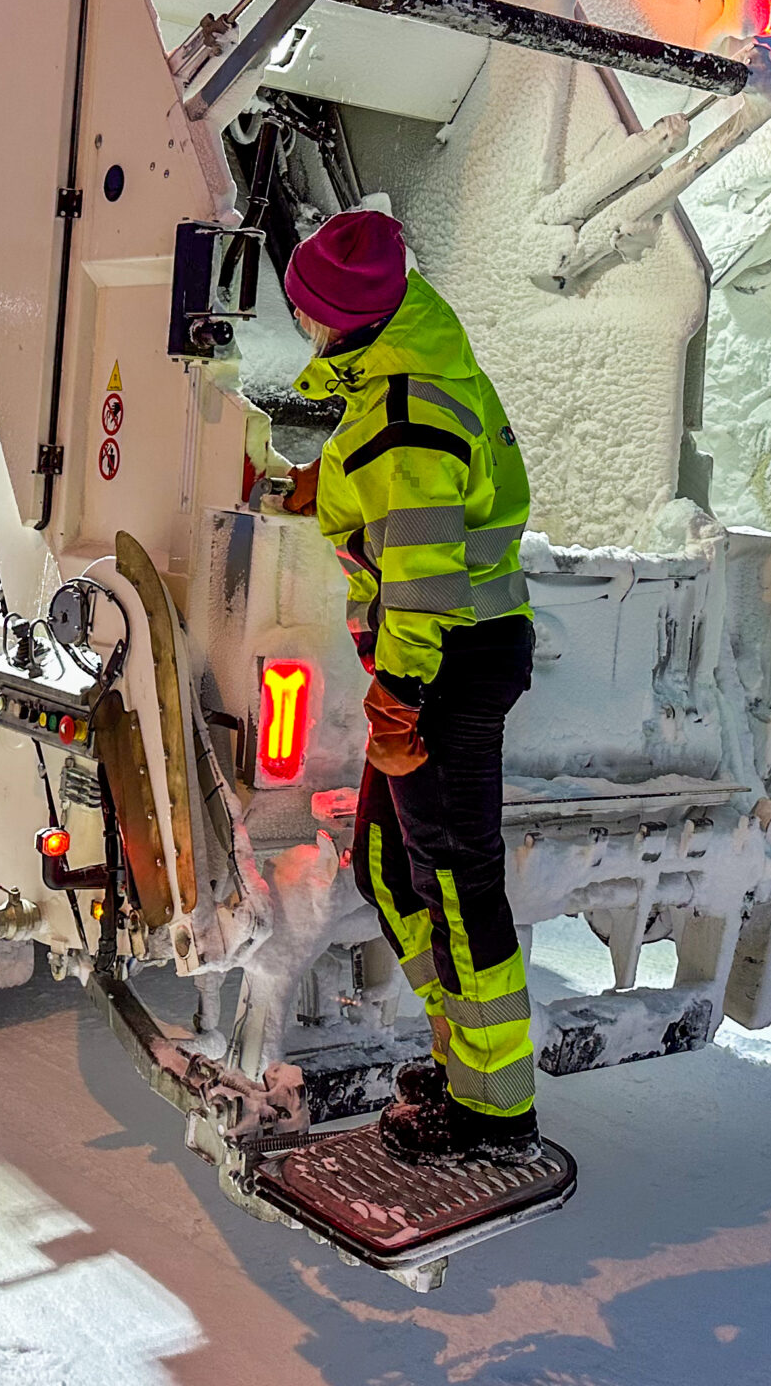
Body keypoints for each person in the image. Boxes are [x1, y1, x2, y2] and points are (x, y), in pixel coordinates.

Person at [276, 210, 540, 1165]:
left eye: (307, 311)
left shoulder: (404, 416)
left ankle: (496, 1106)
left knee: (458, 879)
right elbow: (402, 500)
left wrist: (399, 703)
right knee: (386, 871)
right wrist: (327, 483)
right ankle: (464, 1051)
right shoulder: (400, 376)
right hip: (442, 662)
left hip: (443, 670)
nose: (303, 327)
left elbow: (424, 575)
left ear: (340, 320)